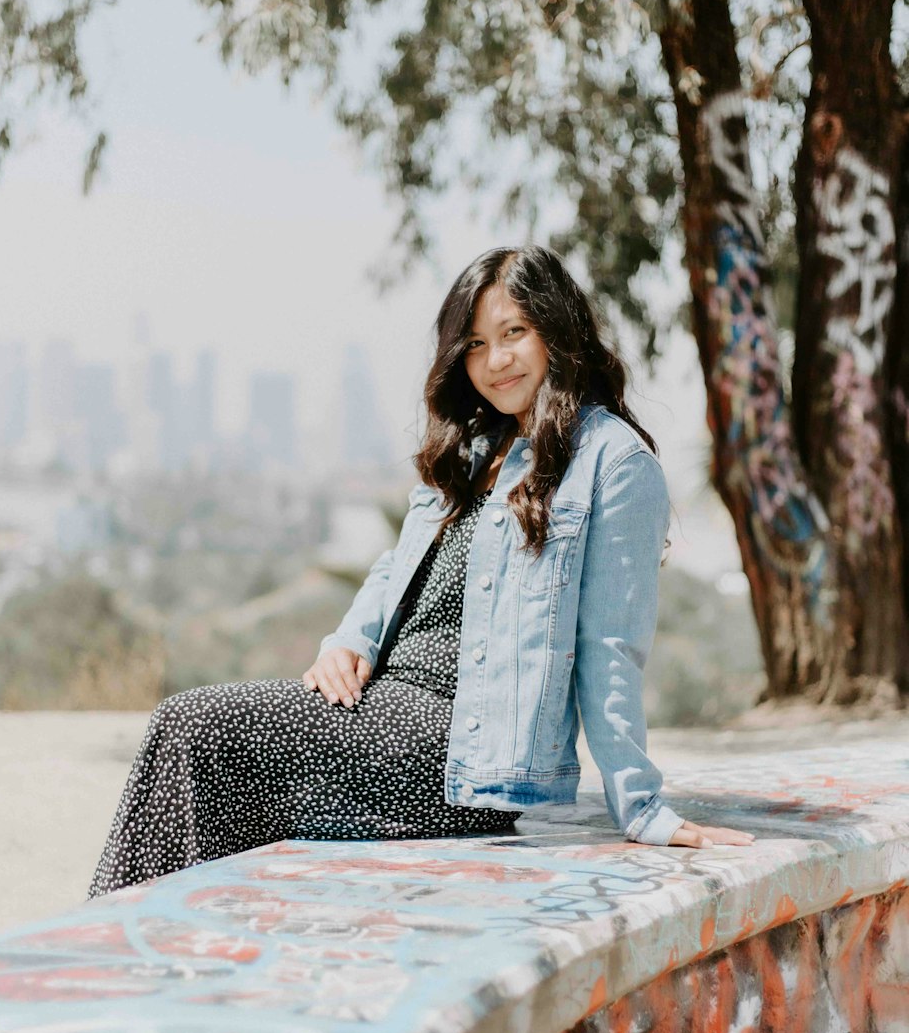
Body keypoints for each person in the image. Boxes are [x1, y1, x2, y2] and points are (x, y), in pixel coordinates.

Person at [87, 244, 753, 898]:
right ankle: (162, 950)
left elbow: (611, 647)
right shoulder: (472, 448)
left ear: (557, 331)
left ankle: (114, 952)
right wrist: (346, 641)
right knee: (201, 746)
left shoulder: (614, 461)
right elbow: (393, 568)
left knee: (196, 726)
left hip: (465, 758)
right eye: (474, 344)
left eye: (513, 333)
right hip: (387, 708)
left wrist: (640, 807)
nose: (494, 361)